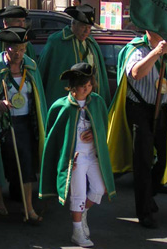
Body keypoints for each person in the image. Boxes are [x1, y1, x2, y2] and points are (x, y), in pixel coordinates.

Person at [107, 31, 167, 229]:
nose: (162, 33)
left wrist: (163, 52)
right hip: (139, 110)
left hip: (162, 110)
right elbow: (136, 73)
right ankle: (144, 212)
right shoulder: (136, 49)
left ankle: (149, 193)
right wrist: (156, 53)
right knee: (142, 162)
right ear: (148, 30)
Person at [0, 27, 47, 223]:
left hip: (25, 123)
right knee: (0, 160)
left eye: (22, 49)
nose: (19, 54)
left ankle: (28, 207)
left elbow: (37, 94)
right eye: (15, 50)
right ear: (7, 48)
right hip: (2, 125)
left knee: (27, 165)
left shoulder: (30, 67)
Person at [39, 63, 116, 248]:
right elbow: (54, 137)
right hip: (75, 159)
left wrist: (93, 132)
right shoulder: (62, 107)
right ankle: (76, 231)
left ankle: (81, 214)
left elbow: (102, 125)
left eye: (90, 85)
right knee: (78, 195)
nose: (87, 89)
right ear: (73, 86)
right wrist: (64, 160)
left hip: (92, 156)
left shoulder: (96, 102)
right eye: (83, 85)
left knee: (99, 189)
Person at [38, 3, 110, 108]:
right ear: (73, 24)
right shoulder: (57, 42)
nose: (87, 31)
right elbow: (43, 73)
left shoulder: (92, 44)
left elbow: (100, 77)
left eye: (89, 28)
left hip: (89, 105)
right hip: (65, 104)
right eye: (83, 26)